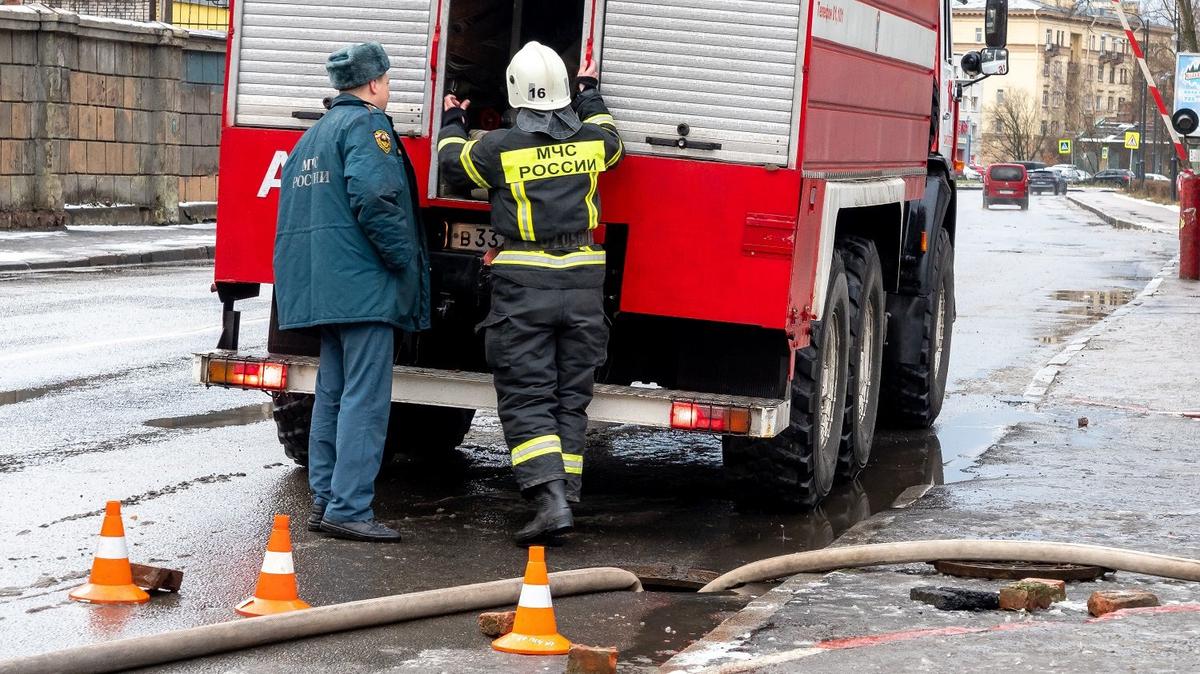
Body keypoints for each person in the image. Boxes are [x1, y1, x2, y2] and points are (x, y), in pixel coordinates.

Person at [438, 42, 623, 544]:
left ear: (517, 93)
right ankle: (565, 492)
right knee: (569, 397)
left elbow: (452, 163)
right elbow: (612, 137)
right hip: (584, 286)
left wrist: (455, 117)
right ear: (563, 91)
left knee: (526, 397)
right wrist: (590, 93)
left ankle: (548, 501)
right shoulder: (591, 143)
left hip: (525, 289)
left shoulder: (498, 148)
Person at [274, 42, 430, 543]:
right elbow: (377, 199)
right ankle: (349, 507)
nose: (387, 89)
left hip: (327, 289)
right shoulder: (368, 127)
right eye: (386, 81)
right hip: (365, 289)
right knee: (365, 399)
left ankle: (326, 498)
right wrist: (404, 262)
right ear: (373, 84)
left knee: (332, 395)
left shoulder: (312, 136)